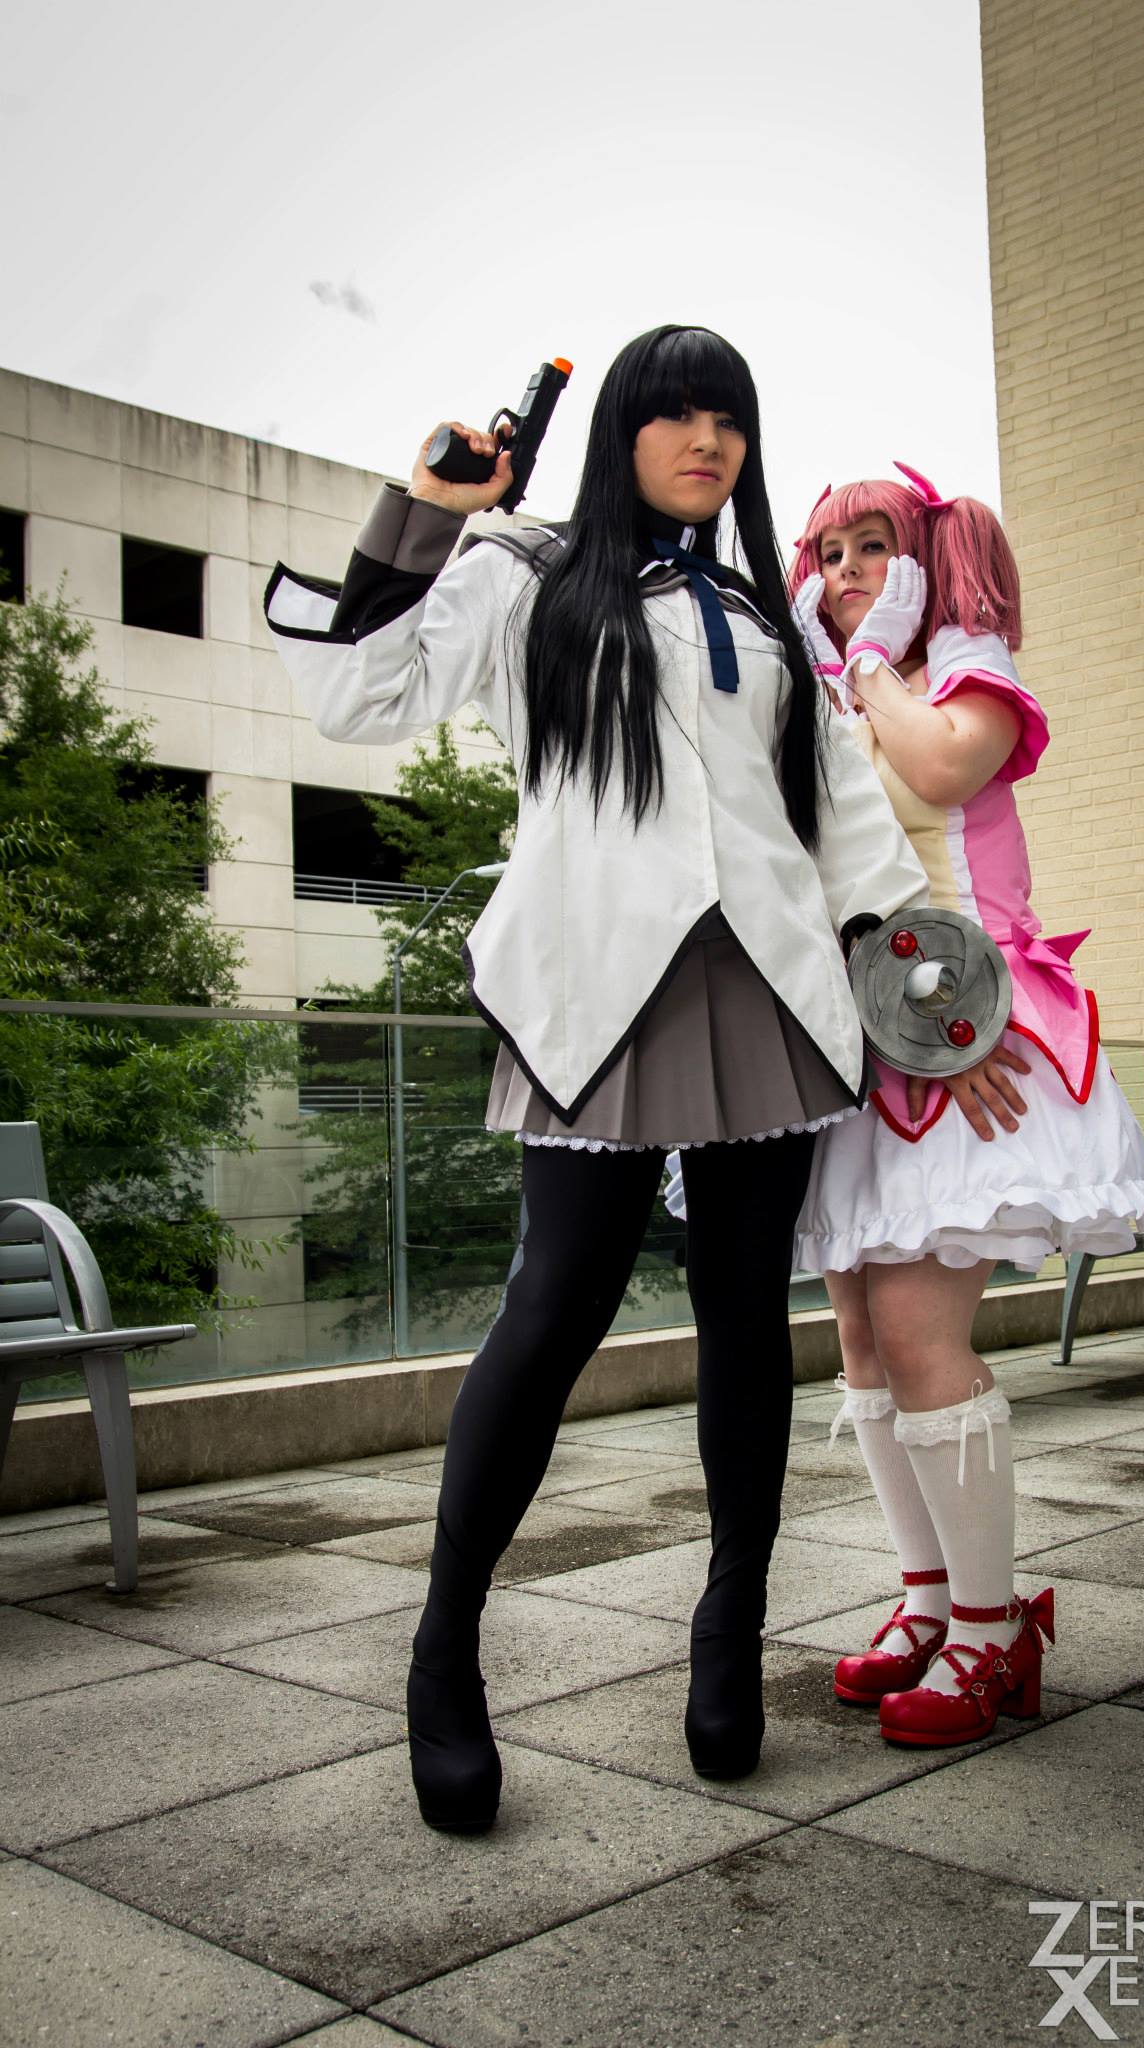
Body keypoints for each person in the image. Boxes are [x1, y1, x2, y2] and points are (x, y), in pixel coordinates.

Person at [264, 328, 931, 1829]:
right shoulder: (527, 574)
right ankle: (445, 1649)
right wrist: (426, 513)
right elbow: (361, 698)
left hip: (766, 983)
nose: (706, 440)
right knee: (553, 1307)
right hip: (593, 983)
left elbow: (840, 816)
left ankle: (729, 1625)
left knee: (745, 1318)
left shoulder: (765, 616)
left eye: (728, 417)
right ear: (618, 427)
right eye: (674, 413)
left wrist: (927, 992)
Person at [786, 464, 1144, 1747]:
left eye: (873, 545)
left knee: (914, 1331)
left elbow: (943, 770)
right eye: (827, 550)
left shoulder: (963, 675)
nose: (846, 570)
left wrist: (874, 661)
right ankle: (928, 1601)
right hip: (864, 1036)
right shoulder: (825, 692)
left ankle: (996, 1628)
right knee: (859, 1335)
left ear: (927, 560)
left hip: (971, 1028)